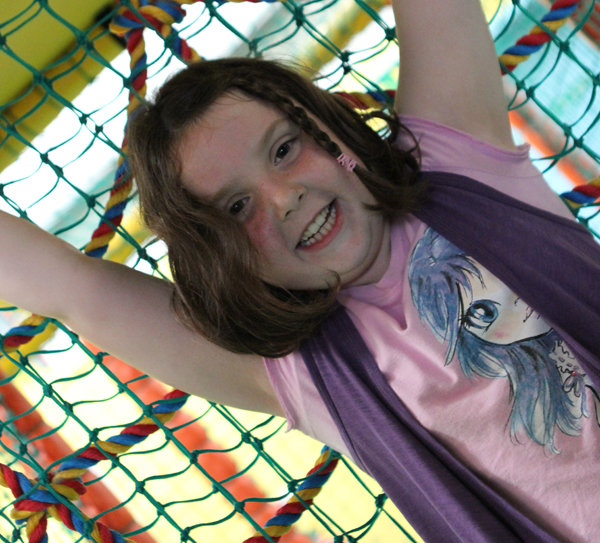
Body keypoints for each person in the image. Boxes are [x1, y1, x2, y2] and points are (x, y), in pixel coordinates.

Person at [1, 1, 599, 542]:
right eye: (238, 208)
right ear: (223, 257)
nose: (284, 197)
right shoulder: (303, 370)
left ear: (327, 130)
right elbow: (71, 289)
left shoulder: (459, 165)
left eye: (284, 150)